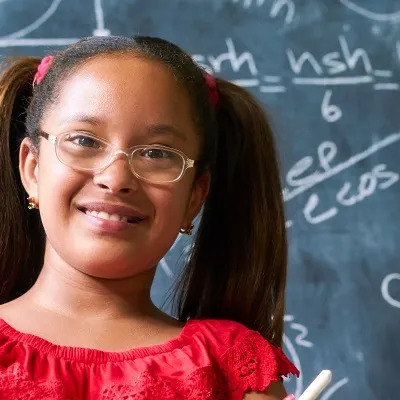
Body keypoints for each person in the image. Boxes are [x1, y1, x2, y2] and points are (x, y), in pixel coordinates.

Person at [0, 35, 299, 399]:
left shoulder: (232, 370)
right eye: (84, 141)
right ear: (32, 169)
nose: (115, 179)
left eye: (157, 153)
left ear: (194, 196)